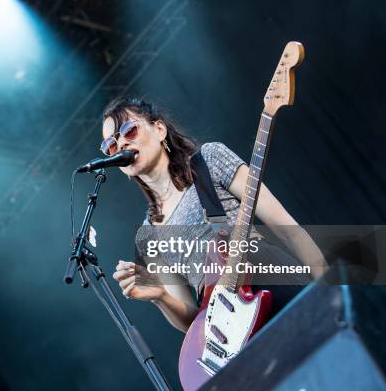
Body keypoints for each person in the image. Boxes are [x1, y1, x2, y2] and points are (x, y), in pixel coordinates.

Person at [104, 97, 326, 332]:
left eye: (129, 130)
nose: (121, 145)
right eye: (110, 145)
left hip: (271, 282)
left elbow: (287, 228)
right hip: (233, 326)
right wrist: (160, 296)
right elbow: (192, 322)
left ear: (159, 130)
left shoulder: (209, 160)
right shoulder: (147, 236)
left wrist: (330, 288)